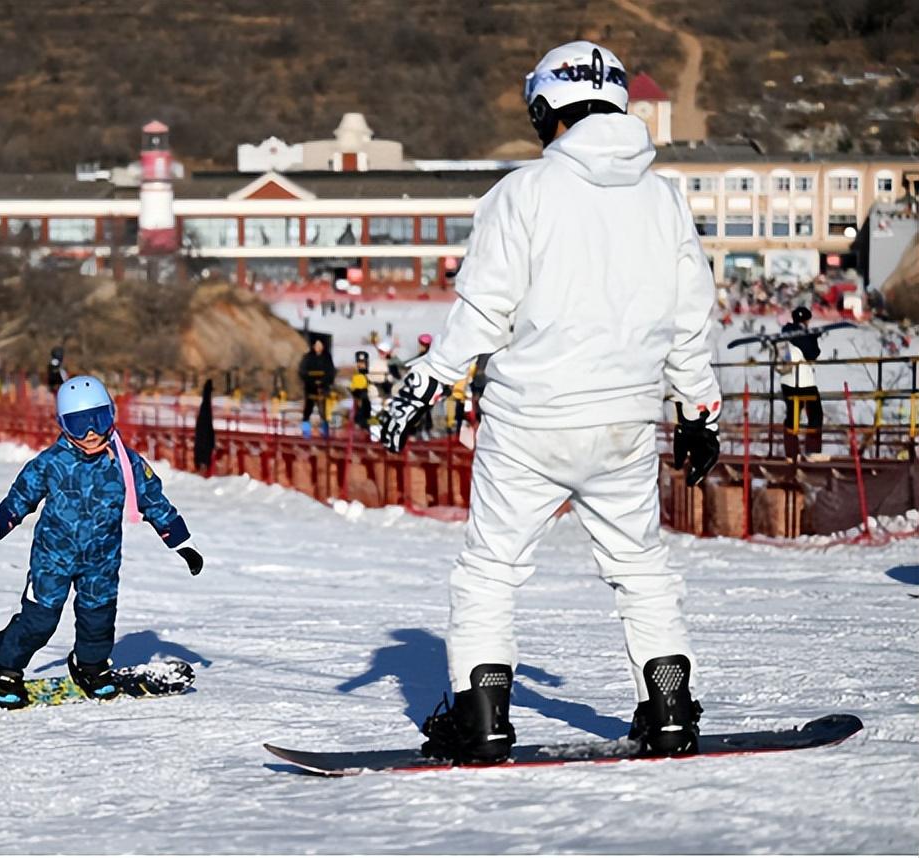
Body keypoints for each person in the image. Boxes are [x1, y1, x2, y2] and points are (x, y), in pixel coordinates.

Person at [379, 41, 721, 763]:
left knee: (491, 569)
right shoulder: (664, 199)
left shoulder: (522, 193)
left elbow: (483, 312)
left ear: (544, 108)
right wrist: (698, 412)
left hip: (529, 422)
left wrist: (430, 379)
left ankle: (483, 720)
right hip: (625, 420)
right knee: (641, 569)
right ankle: (667, 712)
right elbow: (690, 316)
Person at [0, 375, 204, 708]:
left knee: (99, 618)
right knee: (39, 620)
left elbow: (154, 502)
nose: (91, 432)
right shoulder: (50, 464)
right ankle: (6, 667)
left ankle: (89, 666)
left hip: (102, 560)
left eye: (99, 420)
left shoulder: (126, 463)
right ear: (64, 426)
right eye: (79, 424)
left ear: (111, 415)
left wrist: (183, 544)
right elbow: (19, 499)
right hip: (53, 558)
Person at [776, 306, 824, 460]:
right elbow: (812, 354)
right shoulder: (802, 334)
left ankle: (791, 453)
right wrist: (814, 337)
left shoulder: (785, 332)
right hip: (803, 382)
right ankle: (813, 451)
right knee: (815, 414)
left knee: (792, 416)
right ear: (806, 320)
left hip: (787, 380)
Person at [297, 338, 336, 438]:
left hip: (323, 388)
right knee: (307, 411)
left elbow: (330, 372)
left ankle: (325, 434)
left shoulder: (327, 357)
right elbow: (302, 371)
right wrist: (312, 382)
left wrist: (322, 382)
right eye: (317, 345)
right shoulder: (307, 357)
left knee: (324, 412)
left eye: (320, 345)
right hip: (310, 388)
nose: (318, 347)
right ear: (313, 346)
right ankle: (306, 433)